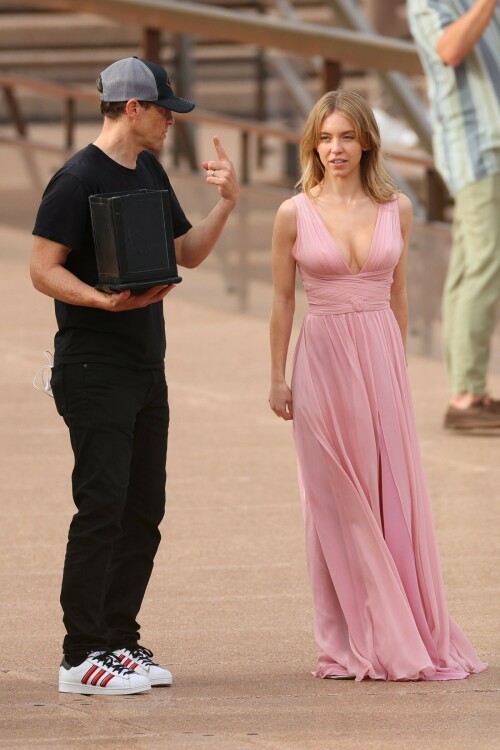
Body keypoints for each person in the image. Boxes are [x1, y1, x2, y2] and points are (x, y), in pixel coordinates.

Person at [30, 57, 239, 695]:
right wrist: (100, 300)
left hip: (147, 365)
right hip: (93, 367)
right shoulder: (75, 179)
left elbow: (187, 254)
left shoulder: (146, 169)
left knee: (143, 508)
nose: (171, 119)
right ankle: (80, 654)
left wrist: (226, 203)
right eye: (164, 108)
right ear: (132, 109)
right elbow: (42, 268)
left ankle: (118, 639)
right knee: (102, 507)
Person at [268, 89, 486, 680]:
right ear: (313, 143)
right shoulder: (294, 212)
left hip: (382, 359)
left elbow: (399, 294)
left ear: (366, 140)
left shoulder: (399, 207)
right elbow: (283, 302)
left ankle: (402, 626)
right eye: (324, 136)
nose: (334, 148)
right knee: (338, 497)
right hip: (322, 361)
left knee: (392, 495)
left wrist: (401, 365)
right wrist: (276, 377)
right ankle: (346, 638)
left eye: (345, 136)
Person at [407, 0, 500, 430]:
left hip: (487, 146)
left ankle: (470, 390)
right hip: (478, 148)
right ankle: (466, 396)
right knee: (484, 264)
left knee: (470, 266)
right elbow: (451, 49)